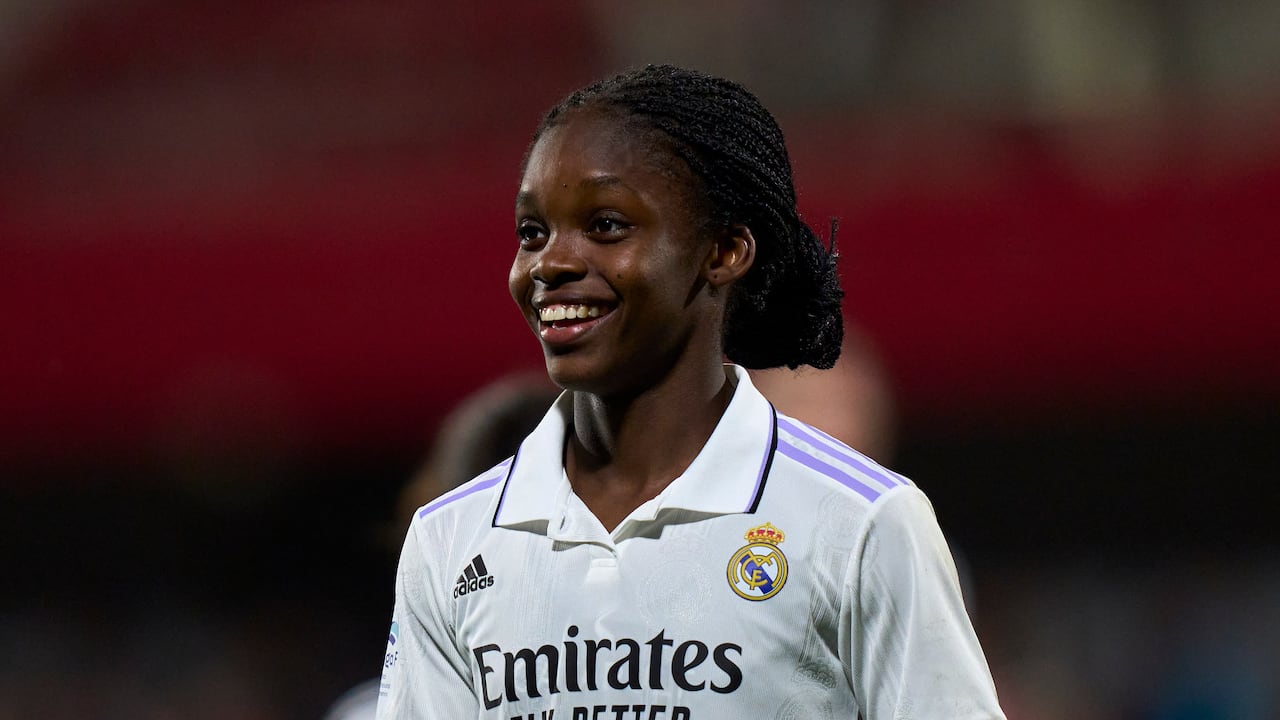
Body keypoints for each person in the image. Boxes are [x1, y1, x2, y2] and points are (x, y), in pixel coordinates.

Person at [376, 64, 1005, 719]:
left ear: (724, 250)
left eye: (607, 225)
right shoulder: (451, 539)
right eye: (533, 232)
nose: (550, 263)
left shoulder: (863, 523)